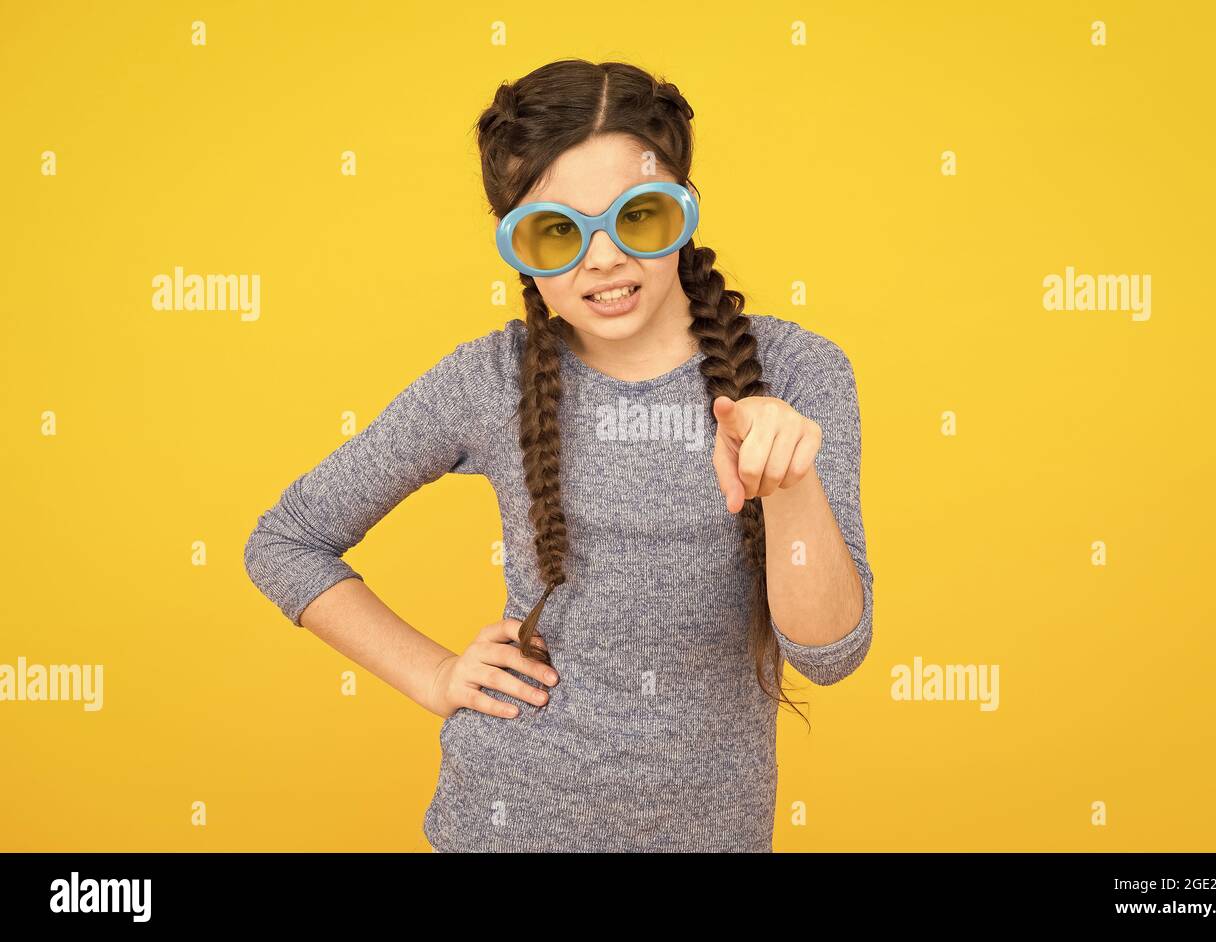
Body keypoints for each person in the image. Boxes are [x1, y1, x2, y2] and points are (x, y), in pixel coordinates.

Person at [244, 58, 875, 852]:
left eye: (637, 217)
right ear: (518, 248)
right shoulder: (487, 381)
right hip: (505, 825)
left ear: (684, 211)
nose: (603, 258)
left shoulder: (802, 373)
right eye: (557, 232)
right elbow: (284, 540)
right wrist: (434, 675)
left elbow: (831, 654)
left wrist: (787, 482)